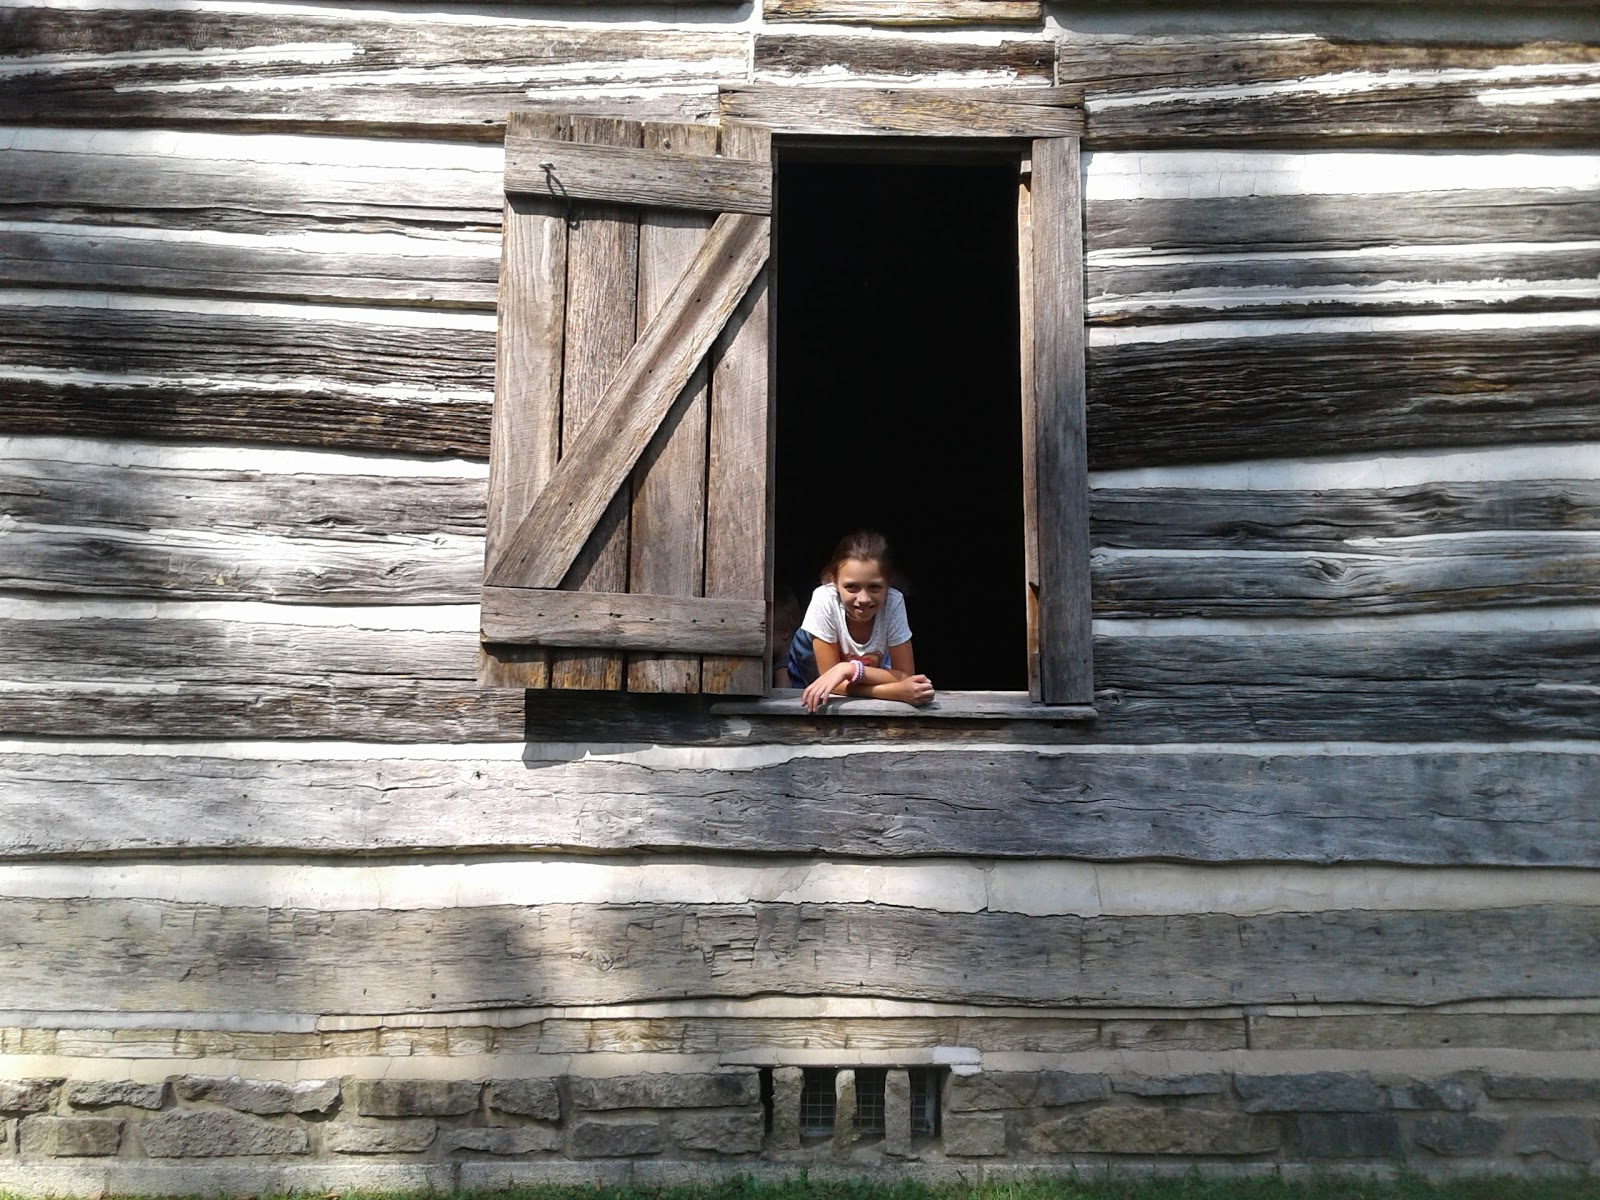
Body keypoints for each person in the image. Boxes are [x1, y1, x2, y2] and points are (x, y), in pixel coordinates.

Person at [786, 531, 935, 712]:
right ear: (833, 581)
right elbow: (829, 681)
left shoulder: (894, 601)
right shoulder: (824, 599)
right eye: (851, 587)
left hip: (856, 665)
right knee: (811, 700)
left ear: (889, 583)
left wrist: (848, 669)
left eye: (874, 587)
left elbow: (904, 674)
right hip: (809, 655)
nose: (863, 599)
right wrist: (894, 692)